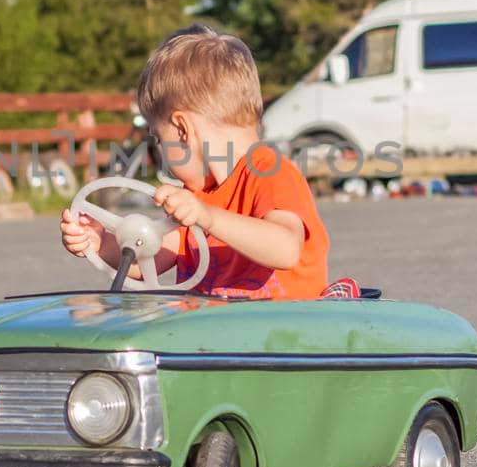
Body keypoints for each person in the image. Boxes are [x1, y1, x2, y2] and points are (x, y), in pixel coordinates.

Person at [61, 25, 330, 298]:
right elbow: (151, 256)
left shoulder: (271, 173)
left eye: (157, 137)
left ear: (182, 129)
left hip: (283, 335)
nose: (159, 152)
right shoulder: (195, 196)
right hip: (213, 336)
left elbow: (286, 249)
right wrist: (102, 242)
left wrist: (208, 217)